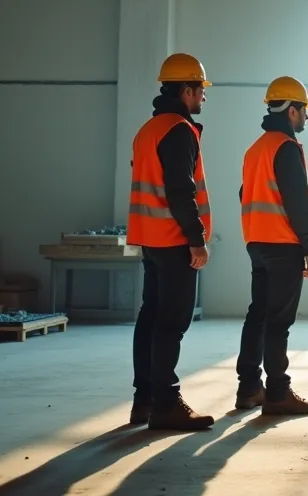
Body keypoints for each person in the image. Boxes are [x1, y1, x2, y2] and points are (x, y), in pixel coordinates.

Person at [127, 52, 216, 431]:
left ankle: (144, 399)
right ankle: (166, 402)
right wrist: (196, 241)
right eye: (200, 90)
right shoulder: (179, 130)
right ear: (186, 90)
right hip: (175, 239)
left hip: (150, 239)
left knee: (150, 317)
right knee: (171, 322)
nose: (203, 98)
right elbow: (182, 192)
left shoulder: (148, 129)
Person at [235, 76, 308, 416]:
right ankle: (277, 393)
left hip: (256, 241)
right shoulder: (285, 147)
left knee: (258, 315)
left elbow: (245, 194)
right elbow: (298, 202)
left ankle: (248, 389)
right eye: (303, 111)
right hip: (283, 243)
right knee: (278, 321)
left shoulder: (255, 148)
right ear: (291, 110)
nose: (306, 118)